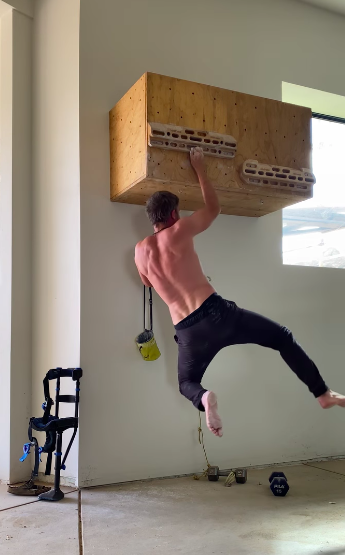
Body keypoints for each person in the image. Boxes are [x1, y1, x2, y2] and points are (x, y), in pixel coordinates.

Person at [134, 146, 345, 437]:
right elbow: (213, 209)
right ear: (173, 214)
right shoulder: (180, 230)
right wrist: (200, 169)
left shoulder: (140, 251)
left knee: (186, 383)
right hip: (216, 313)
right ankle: (322, 394)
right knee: (281, 338)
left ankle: (206, 398)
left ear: (152, 219)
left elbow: (146, 282)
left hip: (187, 331)